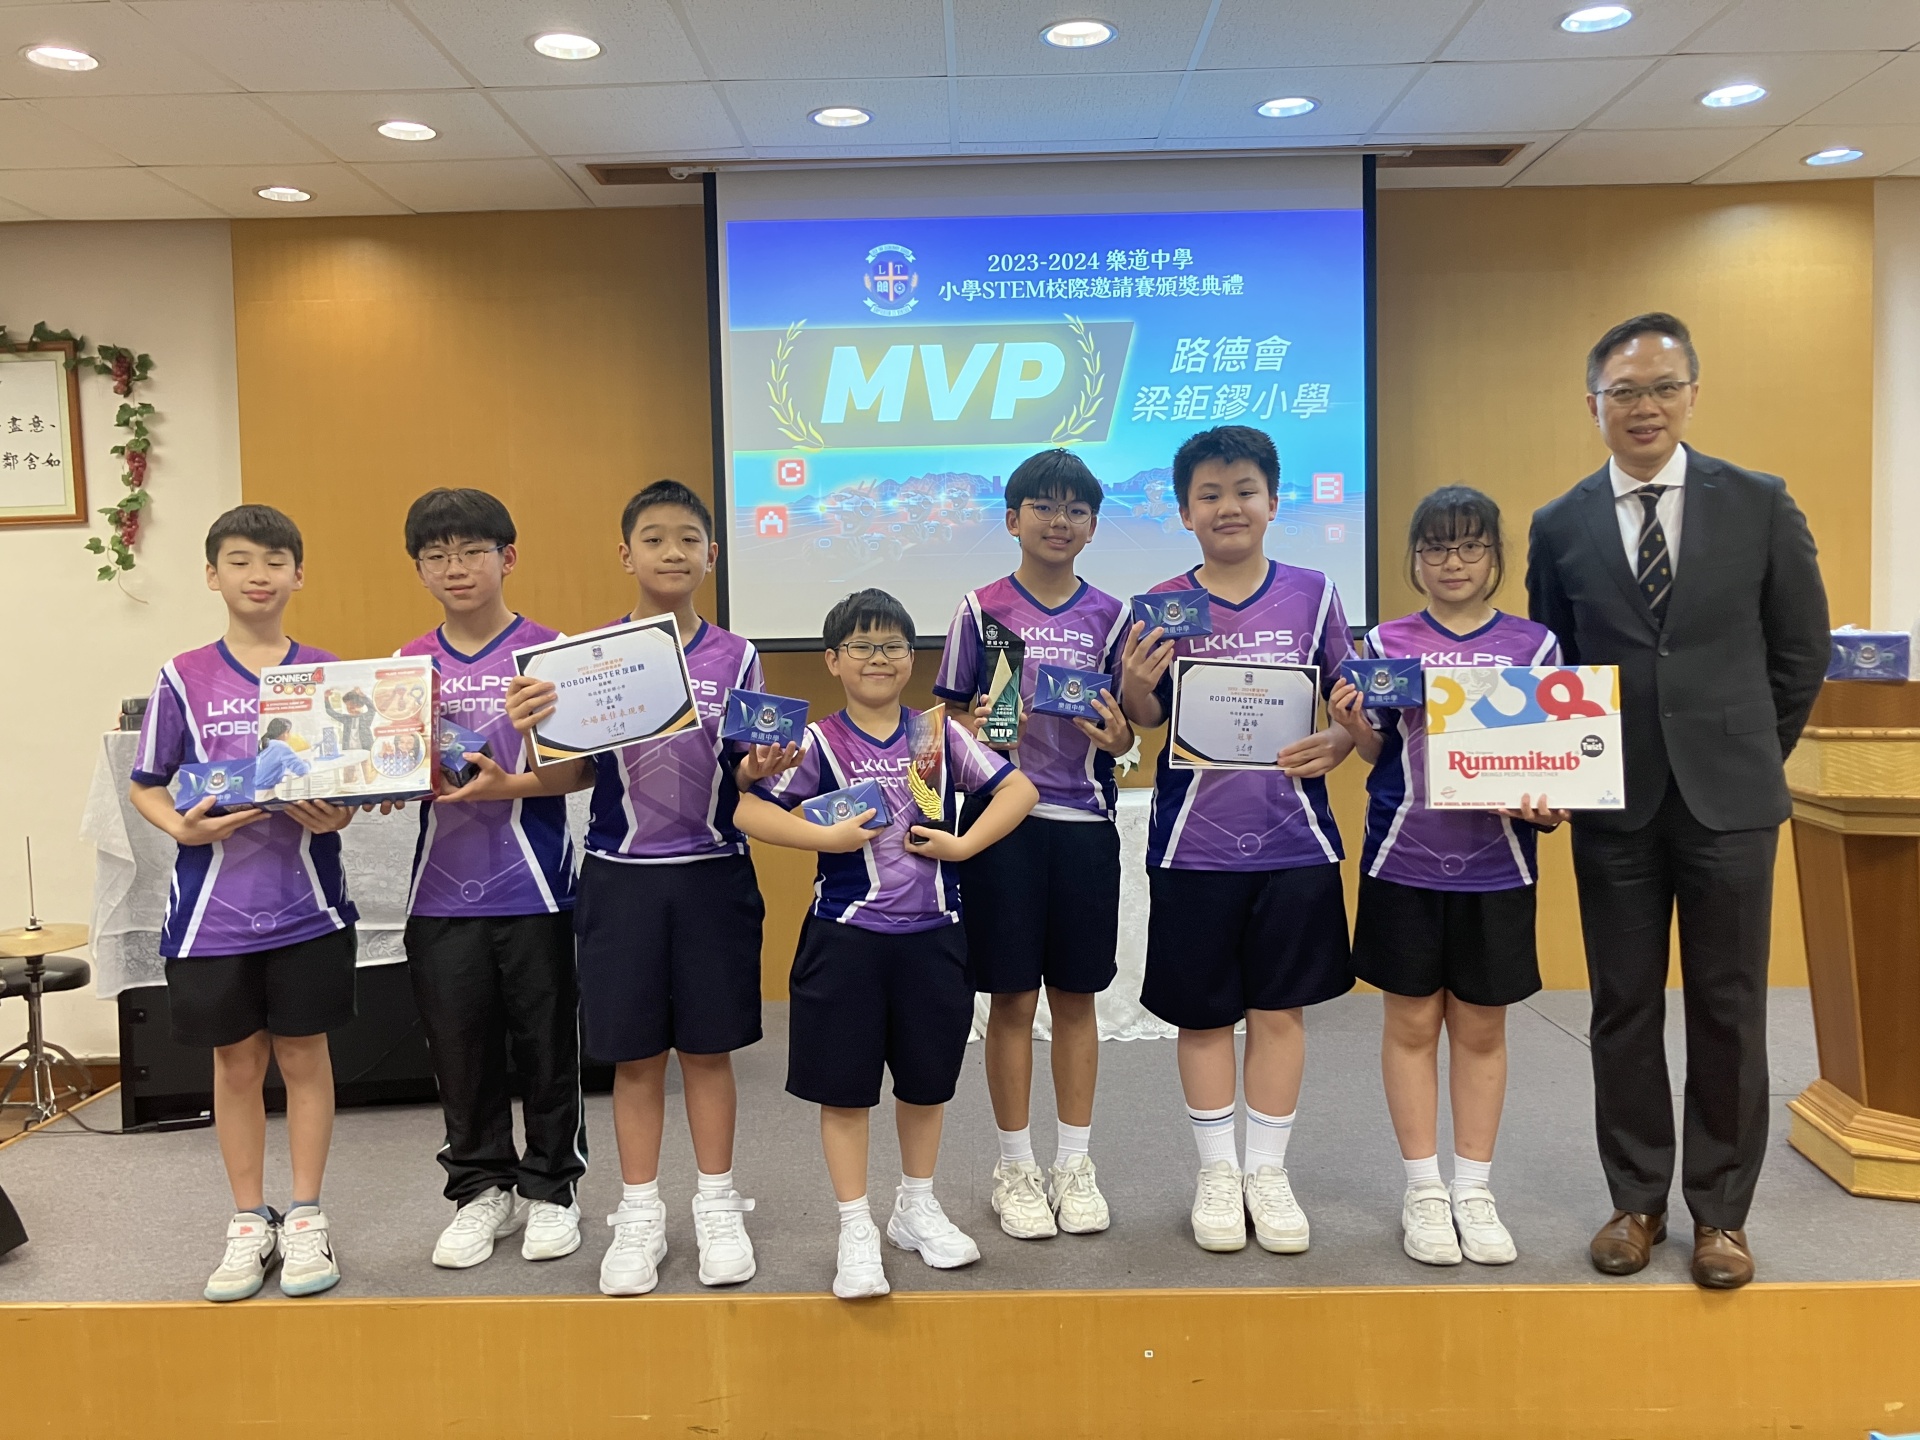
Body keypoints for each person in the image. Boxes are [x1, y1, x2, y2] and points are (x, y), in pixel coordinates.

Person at [1526, 312, 1829, 1290]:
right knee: (1622, 1003)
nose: (1644, 407)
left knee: (1729, 1006)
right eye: (1624, 392)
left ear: (1692, 394)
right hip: (1613, 802)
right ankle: (1637, 1201)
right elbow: (1552, 665)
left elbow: (1800, 651)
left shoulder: (1759, 502)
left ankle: (1722, 1215)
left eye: (1662, 388)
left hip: (1730, 801)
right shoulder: (1559, 523)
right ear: (1593, 405)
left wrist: (1753, 752)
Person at [469, 480, 792, 1296]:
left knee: (709, 1053)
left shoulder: (738, 655)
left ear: (713, 554)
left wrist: (759, 767)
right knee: (637, 1058)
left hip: (714, 876)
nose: (672, 552)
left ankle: (716, 1204)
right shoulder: (586, 659)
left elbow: (748, 774)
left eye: (688, 539)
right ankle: (639, 1212)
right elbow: (569, 776)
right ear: (626, 554)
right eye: (654, 539)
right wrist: (526, 740)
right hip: (621, 879)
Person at [737, 589, 1039, 1299]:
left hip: (934, 936)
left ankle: (916, 1206)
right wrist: (823, 836)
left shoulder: (937, 735)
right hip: (846, 939)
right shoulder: (816, 741)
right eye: (862, 646)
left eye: (893, 646)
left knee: (926, 1083)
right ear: (833, 661)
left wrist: (963, 846)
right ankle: (855, 1226)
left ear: (912, 658)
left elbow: (1018, 791)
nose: (879, 658)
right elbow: (748, 810)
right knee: (845, 1091)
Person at [1116, 425, 1356, 1257]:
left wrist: (1343, 739)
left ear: (1273, 502)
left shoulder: (1316, 594)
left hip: (1294, 839)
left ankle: (1268, 1172)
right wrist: (1136, 686)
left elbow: (1351, 698)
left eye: (1245, 490)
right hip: (1195, 844)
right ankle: (1218, 1171)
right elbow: (1145, 718)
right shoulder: (1160, 604)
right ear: (1185, 511)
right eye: (1209, 494)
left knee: (1279, 1012)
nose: (1229, 506)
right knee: (1205, 1014)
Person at [126, 504, 359, 1302]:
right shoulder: (182, 676)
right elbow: (146, 783)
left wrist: (340, 814)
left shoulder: (328, 674)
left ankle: (306, 1216)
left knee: (304, 1055)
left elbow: (350, 784)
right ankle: (247, 1220)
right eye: (239, 560)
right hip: (210, 916)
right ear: (211, 574)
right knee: (235, 1062)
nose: (258, 575)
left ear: (299, 574)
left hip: (308, 906)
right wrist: (180, 829)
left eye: (274, 561)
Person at [1329, 486, 1560, 1268]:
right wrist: (1353, 723)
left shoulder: (1535, 646)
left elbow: (1556, 764)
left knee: (1483, 1029)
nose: (1451, 562)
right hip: (1403, 859)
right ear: (1415, 558)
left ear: (1494, 555)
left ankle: (1475, 1188)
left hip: (1499, 866)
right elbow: (1376, 750)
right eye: (1435, 548)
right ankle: (1424, 1188)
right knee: (1411, 1025)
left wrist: (1554, 803)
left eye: (1468, 546)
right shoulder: (1385, 641)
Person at [931, 449, 1133, 1242]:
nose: (1059, 521)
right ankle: (1014, 1166)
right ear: (1013, 519)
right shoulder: (978, 610)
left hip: (1083, 827)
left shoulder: (1113, 616)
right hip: (1001, 829)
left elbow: (1128, 729)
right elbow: (942, 721)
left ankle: (1074, 1164)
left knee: (1076, 1000)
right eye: (1044, 507)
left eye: (1076, 509)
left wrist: (1120, 737)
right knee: (1011, 1000)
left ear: (1093, 526)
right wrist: (970, 729)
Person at [391, 488, 586, 1271]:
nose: (456, 568)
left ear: (507, 557)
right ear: (419, 570)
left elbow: (579, 773)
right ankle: (480, 1191)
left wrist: (512, 784)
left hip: (536, 886)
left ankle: (552, 1188)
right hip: (440, 891)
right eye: (437, 555)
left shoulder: (553, 655)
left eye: (472, 551)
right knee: (460, 1049)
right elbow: (390, 774)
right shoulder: (403, 668)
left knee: (547, 1047)